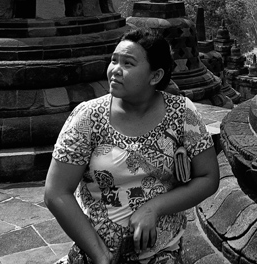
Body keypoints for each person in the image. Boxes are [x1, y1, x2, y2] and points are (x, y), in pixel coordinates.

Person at [45, 29, 220, 263]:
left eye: (128, 63)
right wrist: (100, 255)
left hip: (161, 251)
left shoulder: (181, 113)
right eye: (113, 60)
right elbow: (56, 192)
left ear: (155, 76)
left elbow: (208, 177)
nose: (115, 70)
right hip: (97, 251)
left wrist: (154, 207)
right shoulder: (88, 117)